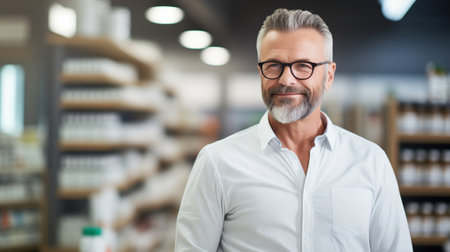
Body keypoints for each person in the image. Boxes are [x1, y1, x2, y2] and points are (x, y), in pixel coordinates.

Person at [175, 8, 413, 252]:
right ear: (261, 73)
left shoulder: (370, 162)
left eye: (303, 65)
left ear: (328, 76)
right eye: (274, 65)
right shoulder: (217, 163)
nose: (286, 79)